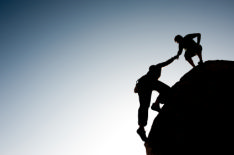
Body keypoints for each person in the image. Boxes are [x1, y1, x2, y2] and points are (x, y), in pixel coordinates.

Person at [134, 56, 177, 142]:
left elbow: (138, 84)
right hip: (148, 82)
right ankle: (156, 105)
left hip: (142, 84)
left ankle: (141, 128)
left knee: (144, 105)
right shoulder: (157, 67)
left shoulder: (146, 75)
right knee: (166, 90)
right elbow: (166, 62)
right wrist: (174, 57)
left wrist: (137, 88)